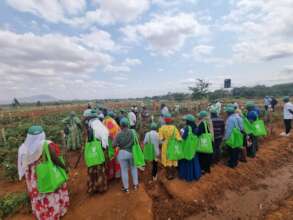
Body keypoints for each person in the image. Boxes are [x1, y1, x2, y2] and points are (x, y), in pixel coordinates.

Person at [18, 126, 69, 219]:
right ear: (42, 134)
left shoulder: (23, 148)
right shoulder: (45, 144)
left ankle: (42, 214)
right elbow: (54, 158)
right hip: (45, 172)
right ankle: (54, 213)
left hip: (33, 176)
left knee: (38, 194)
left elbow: (22, 164)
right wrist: (63, 167)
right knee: (50, 190)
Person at [113, 118, 139, 193]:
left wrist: (119, 145)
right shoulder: (133, 132)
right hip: (131, 153)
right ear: (128, 124)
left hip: (122, 153)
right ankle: (135, 185)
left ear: (120, 125)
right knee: (133, 168)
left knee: (124, 171)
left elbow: (113, 145)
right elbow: (137, 140)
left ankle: (126, 188)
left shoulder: (118, 134)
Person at [87, 110, 109, 194]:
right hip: (100, 151)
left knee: (91, 170)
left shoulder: (91, 127)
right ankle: (101, 188)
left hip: (91, 152)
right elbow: (105, 143)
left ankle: (92, 188)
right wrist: (103, 150)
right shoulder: (102, 127)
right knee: (100, 170)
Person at [178, 114, 201, 182]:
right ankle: (196, 175)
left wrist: (181, 133)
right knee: (194, 161)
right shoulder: (196, 127)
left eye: (186, 120)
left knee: (187, 161)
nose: (185, 121)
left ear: (188, 121)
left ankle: (188, 177)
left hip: (187, 148)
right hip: (194, 147)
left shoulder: (187, 128)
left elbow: (184, 137)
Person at [158, 113, 181, 180]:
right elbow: (178, 138)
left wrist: (165, 139)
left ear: (165, 121)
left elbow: (160, 138)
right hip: (173, 145)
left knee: (167, 159)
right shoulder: (174, 128)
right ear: (170, 120)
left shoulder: (162, 128)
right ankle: (173, 174)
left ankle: (169, 174)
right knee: (173, 158)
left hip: (166, 145)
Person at [103, 111, 121, 180]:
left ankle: (110, 176)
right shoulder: (113, 122)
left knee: (109, 161)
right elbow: (118, 132)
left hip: (107, 144)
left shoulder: (103, 122)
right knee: (116, 160)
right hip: (114, 144)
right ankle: (117, 175)